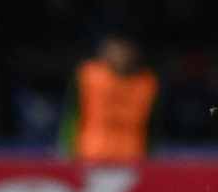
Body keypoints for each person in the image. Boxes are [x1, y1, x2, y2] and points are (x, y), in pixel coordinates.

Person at [57, 32, 160, 162]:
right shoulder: (88, 76)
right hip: (90, 154)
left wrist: (151, 156)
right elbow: (72, 114)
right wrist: (67, 150)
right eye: (116, 50)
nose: (121, 55)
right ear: (104, 52)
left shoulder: (147, 83)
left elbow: (153, 125)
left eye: (125, 50)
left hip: (133, 156)